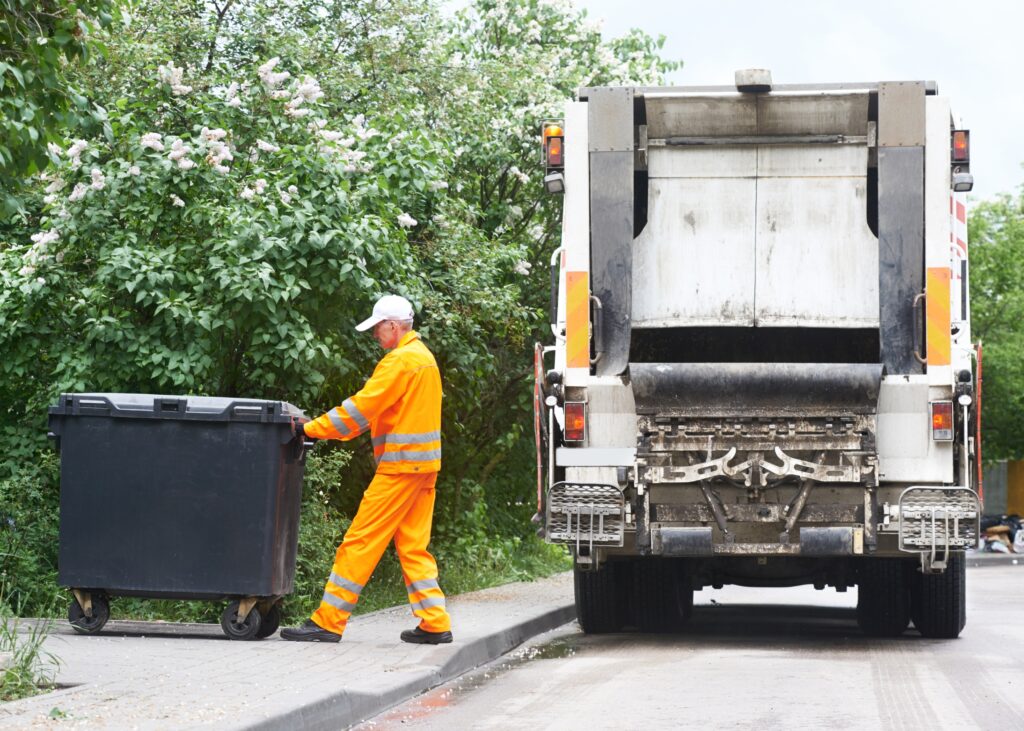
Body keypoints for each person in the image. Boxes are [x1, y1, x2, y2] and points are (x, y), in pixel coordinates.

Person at [280, 294, 452, 644]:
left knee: (360, 541)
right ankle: (434, 622)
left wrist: (311, 428)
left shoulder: (400, 361)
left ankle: (329, 620)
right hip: (424, 468)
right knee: (413, 546)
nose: (375, 335)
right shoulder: (425, 359)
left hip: (400, 468)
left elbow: (361, 409)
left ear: (392, 325)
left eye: (377, 328)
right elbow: (373, 413)